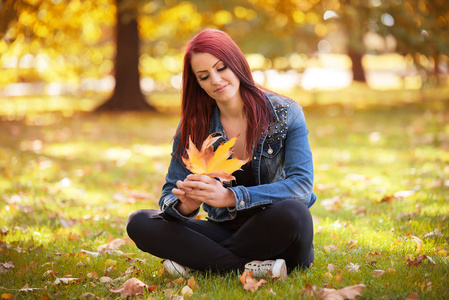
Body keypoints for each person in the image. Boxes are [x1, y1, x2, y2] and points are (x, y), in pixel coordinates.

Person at [126, 28, 316, 279]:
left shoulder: (285, 113)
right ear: (198, 83)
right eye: (204, 76)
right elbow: (169, 193)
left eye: (221, 67)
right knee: (139, 222)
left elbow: (302, 185)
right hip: (224, 230)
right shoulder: (195, 125)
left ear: (236, 63)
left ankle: (201, 262)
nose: (215, 80)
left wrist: (230, 197)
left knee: (295, 213)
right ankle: (249, 268)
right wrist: (186, 205)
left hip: (278, 231)